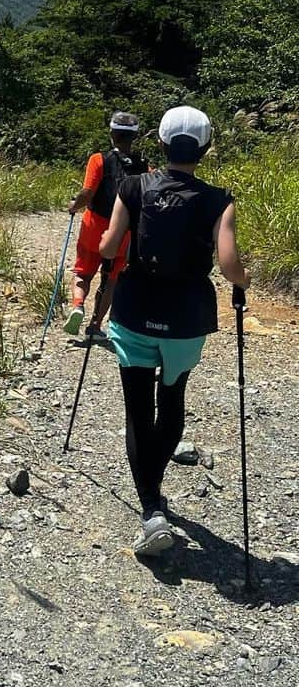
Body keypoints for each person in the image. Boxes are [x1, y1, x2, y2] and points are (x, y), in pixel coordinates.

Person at [100, 106, 250, 557]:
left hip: (134, 309)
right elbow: (228, 265)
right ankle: (155, 490)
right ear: (204, 150)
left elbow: (109, 246)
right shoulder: (219, 200)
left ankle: (151, 507)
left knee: (136, 410)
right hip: (186, 317)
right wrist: (243, 283)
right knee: (173, 398)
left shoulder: (133, 186)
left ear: (161, 145)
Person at [62, 112, 148, 336]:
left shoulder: (99, 159)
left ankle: (78, 305)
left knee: (83, 272)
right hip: (124, 233)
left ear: (112, 134)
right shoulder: (144, 167)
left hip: (95, 227)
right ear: (134, 137)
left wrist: (74, 206)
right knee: (111, 280)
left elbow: (87, 193)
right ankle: (95, 325)